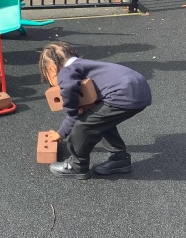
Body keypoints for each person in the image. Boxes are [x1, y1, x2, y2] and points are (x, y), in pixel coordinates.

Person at [39, 41, 152, 180]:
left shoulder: (66, 72)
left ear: (51, 70)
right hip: (140, 88)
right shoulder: (85, 65)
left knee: (83, 125)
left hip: (124, 94)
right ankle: (119, 159)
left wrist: (65, 127)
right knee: (100, 121)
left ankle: (77, 165)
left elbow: (69, 95)